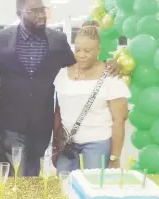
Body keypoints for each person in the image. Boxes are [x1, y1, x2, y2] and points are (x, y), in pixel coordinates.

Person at [0, 0, 119, 177]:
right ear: (19, 13)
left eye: (43, 10)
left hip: (42, 123)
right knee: (15, 174)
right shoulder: (0, 38)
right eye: (34, 11)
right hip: (11, 122)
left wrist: (107, 63)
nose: (41, 15)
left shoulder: (57, 40)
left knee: (34, 173)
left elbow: (78, 64)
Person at [53, 26, 129, 172]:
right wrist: (56, 144)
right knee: (63, 187)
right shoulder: (62, 74)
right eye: (78, 50)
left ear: (98, 50)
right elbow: (58, 111)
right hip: (67, 144)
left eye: (87, 51)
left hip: (97, 144)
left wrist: (114, 158)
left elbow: (119, 121)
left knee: (92, 187)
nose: (81, 55)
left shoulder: (111, 77)